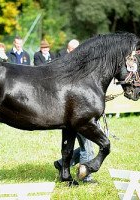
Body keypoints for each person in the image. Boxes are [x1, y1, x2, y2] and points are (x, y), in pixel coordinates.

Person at [54, 39, 97, 184]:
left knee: (86, 144)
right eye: (74, 49)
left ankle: (62, 163)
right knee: (87, 145)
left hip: (81, 109)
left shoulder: (81, 65)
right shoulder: (65, 65)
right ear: (68, 50)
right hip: (76, 112)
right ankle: (87, 176)